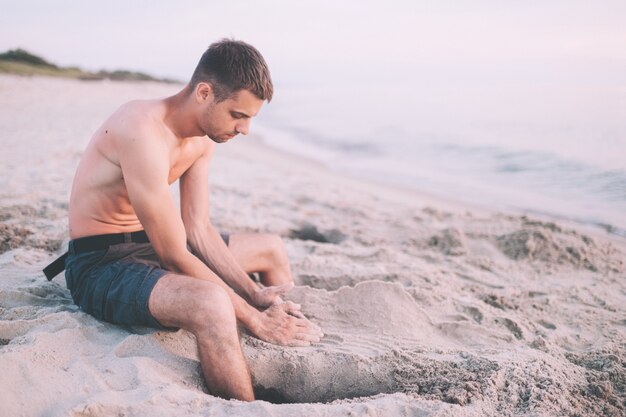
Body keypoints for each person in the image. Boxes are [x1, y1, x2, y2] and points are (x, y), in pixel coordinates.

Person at [43, 39, 323, 401]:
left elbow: (198, 229)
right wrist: (253, 319)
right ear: (204, 93)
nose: (245, 130)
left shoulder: (204, 137)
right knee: (212, 303)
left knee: (270, 249)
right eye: (238, 115)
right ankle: (244, 405)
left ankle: (295, 336)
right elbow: (176, 253)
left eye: (251, 118)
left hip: (149, 243)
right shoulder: (141, 130)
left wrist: (254, 294)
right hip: (103, 263)